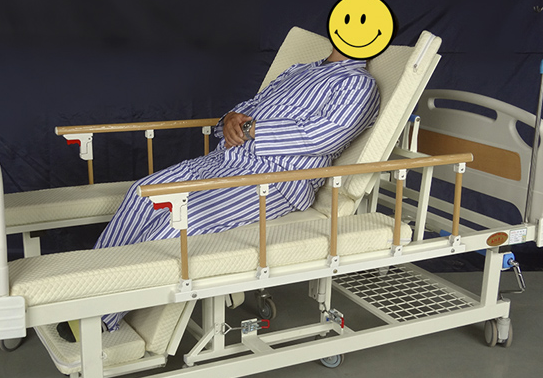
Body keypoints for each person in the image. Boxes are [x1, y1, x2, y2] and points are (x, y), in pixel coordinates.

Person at [57, 43, 380, 341]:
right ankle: (86, 287)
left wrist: (250, 128)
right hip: (224, 160)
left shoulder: (357, 83)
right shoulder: (298, 70)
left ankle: (100, 314)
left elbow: (324, 137)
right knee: (144, 194)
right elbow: (248, 108)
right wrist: (231, 120)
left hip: (273, 178)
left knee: (180, 221)